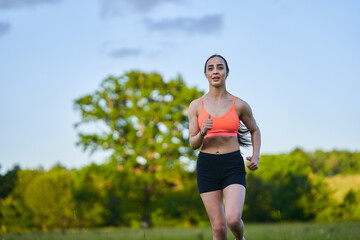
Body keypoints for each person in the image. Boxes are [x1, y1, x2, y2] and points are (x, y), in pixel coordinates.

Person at [188, 54, 261, 240]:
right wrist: (202, 132)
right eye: (211, 68)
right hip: (207, 166)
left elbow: (255, 130)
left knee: (233, 219)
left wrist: (255, 156)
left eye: (220, 67)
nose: (215, 71)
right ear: (205, 74)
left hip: (232, 165)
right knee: (219, 230)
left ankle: (240, 238)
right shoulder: (196, 106)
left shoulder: (239, 105)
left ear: (227, 72)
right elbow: (193, 144)